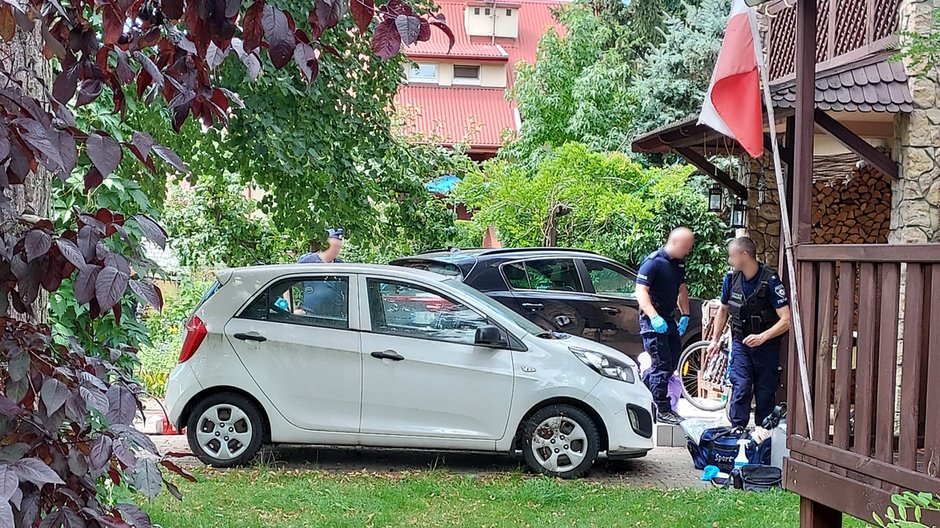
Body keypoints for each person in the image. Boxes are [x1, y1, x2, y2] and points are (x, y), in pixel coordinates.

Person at [708, 237, 791, 430]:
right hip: (740, 343)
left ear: (744, 255)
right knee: (742, 386)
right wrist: (714, 340)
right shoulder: (731, 279)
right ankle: (737, 429)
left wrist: (763, 337)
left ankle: (763, 435)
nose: (730, 261)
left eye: (732, 256)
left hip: (766, 346)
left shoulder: (770, 281)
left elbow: (786, 319)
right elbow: (723, 309)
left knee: (765, 392)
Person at [635, 227, 695, 424]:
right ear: (675, 243)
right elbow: (641, 292)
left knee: (672, 361)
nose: (687, 251)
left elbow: (681, 289)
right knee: (661, 364)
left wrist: (685, 314)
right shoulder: (653, 263)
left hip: (669, 320)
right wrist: (653, 317)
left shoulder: (678, 264)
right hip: (653, 322)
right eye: (686, 247)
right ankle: (662, 407)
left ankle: (643, 391)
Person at [297, 228, 346, 317]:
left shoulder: (340, 265)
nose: (337, 250)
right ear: (325, 244)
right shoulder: (307, 261)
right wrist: (293, 309)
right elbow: (287, 285)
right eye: (334, 246)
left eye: (339, 247)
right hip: (311, 316)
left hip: (336, 318)